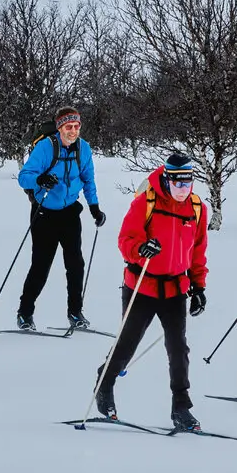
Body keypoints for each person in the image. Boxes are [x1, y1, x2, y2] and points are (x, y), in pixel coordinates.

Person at [93, 152, 208, 431]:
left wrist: (199, 286)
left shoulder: (197, 208)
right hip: (141, 285)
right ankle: (104, 385)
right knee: (127, 343)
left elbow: (198, 251)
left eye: (188, 182)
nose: (183, 189)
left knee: (178, 348)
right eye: (177, 182)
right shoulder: (146, 202)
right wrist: (140, 249)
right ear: (167, 180)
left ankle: (181, 406)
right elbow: (126, 239)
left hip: (174, 289)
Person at [15, 105, 104, 331]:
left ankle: (75, 312)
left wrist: (94, 207)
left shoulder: (83, 149)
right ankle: (25, 313)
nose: (73, 131)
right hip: (44, 212)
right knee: (41, 266)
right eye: (68, 126)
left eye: (76, 126)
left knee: (75, 265)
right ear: (59, 128)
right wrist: (40, 179)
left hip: (69, 212)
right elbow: (24, 177)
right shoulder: (46, 148)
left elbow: (88, 180)